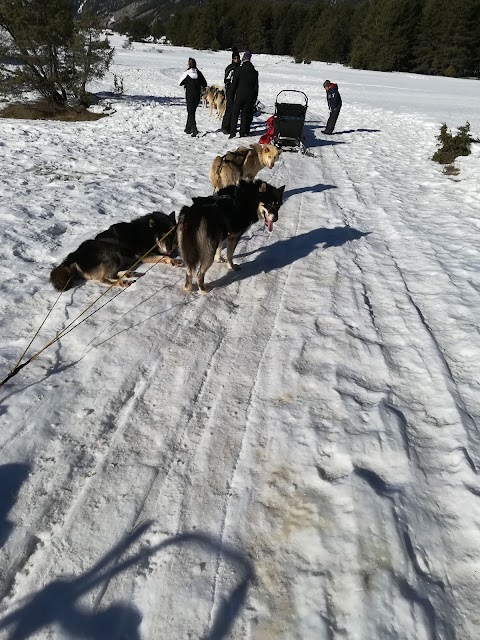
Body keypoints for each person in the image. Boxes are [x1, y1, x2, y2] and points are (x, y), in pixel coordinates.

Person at [229, 50, 258, 139]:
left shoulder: (239, 70)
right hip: (249, 97)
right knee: (245, 115)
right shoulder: (254, 72)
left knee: (235, 114)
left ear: (243, 59)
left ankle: (232, 132)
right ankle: (242, 132)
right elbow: (256, 87)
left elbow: (234, 83)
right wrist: (254, 98)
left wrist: (231, 94)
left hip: (239, 95)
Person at [178, 58, 207, 137]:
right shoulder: (199, 73)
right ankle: (188, 129)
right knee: (192, 112)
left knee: (190, 112)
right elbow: (205, 83)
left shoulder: (186, 73)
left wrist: (186, 82)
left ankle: (194, 129)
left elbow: (179, 83)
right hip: (197, 95)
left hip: (189, 95)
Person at [221, 48, 241, 134]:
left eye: (237, 58)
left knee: (235, 110)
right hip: (230, 91)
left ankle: (232, 126)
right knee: (229, 109)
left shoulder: (240, 67)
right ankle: (225, 126)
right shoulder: (230, 68)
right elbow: (226, 79)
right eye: (235, 58)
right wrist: (229, 87)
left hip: (238, 91)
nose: (236, 60)